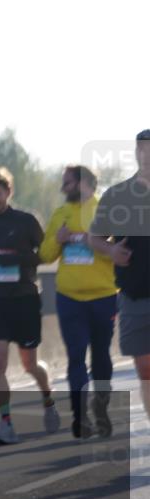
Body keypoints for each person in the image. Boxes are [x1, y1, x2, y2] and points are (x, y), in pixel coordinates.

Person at [0, 167, 60, 445]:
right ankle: (6, 423)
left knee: (29, 363)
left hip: (25, 298)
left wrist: (18, 259)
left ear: (8, 192)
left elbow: (46, 256)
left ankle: (48, 398)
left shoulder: (26, 221)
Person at [39, 166, 118, 439]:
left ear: (85, 183)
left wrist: (94, 242)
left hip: (104, 296)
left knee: (101, 358)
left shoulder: (105, 211)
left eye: (68, 183)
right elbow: (45, 255)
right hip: (69, 298)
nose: (63, 188)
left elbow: (119, 253)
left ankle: (101, 408)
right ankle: (79, 416)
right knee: (75, 357)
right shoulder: (61, 214)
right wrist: (59, 240)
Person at [89, 130, 150, 425]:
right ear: (137, 152)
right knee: (145, 368)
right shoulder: (118, 195)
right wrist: (111, 250)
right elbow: (95, 238)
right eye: (144, 149)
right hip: (134, 294)